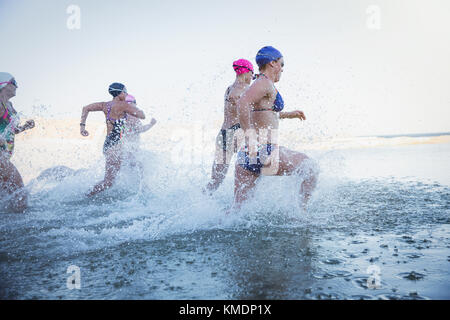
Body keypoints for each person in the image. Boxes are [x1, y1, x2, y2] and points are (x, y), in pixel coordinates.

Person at [234, 46, 319, 209]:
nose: (282, 69)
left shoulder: (261, 83)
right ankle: (300, 214)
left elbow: (264, 112)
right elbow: (242, 103)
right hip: (263, 150)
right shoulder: (264, 83)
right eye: (282, 64)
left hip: (246, 155)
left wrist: (289, 114)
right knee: (311, 168)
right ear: (272, 63)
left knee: (236, 211)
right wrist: (250, 137)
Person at [80, 83, 145, 197]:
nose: (126, 94)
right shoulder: (124, 105)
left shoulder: (104, 105)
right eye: (125, 92)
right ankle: (86, 196)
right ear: (119, 93)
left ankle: (90, 195)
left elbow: (86, 108)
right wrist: (135, 108)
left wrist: (82, 127)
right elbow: (142, 115)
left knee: (113, 178)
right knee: (109, 182)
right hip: (116, 146)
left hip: (108, 144)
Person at [205, 59, 254, 194]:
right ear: (247, 72)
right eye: (252, 74)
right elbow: (253, 111)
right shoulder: (243, 89)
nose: (252, 78)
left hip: (224, 134)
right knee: (253, 172)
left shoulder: (229, 88)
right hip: (232, 134)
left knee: (215, 180)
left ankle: (200, 200)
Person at [0, 72, 35, 212]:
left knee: (6, 197)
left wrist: (24, 127)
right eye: (14, 82)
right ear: (4, 84)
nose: (17, 86)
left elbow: (10, 130)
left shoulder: (9, 105)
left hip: (5, 155)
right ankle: (21, 229)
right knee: (20, 194)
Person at [122, 94, 156, 177]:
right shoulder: (133, 116)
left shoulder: (120, 115)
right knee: (140, 168)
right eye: (134, 103)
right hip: (131, 148)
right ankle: (142, 187)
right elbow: (140, 129)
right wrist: (151, 124)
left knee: (125, 171)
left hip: (122, 148)